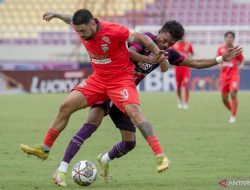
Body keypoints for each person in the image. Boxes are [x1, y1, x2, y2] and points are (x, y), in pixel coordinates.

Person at [51, 23, 243, 186]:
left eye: (170, 43)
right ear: (159, 32)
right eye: (164, 39)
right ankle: (62, 169)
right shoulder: (145, 39)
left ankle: (104, 159)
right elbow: (131, 53)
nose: (164, 44)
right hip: (110, 84)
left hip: (126, 97)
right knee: (91, 124)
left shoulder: (166, 52)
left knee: (129, 143)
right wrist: (154, 59)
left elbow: (194, 62)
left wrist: (219, 59)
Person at [20, 8, 170, 177]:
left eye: (83, 31)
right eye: (78, 31)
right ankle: (44, 149)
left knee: (134, 112)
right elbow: (71, 19)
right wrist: (57, 14)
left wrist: (157, 53)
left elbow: (142, 38)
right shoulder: (81, 27)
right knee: (65, 106)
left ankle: (159, 155)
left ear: (93, 23)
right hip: (98, 79)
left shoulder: (113, 30)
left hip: (120, 80)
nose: (81, 35)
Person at [216, 31, 244, 123]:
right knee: (224, 99)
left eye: (231, 37)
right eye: (227, 37)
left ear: (233, 39)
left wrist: (241, 65)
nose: (229, 38)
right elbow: (217, 61)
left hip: (234, 75)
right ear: (225, 38)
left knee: (233, 94)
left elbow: (242, 60)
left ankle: (233, 116)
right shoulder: (220, 49)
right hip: (224, 77)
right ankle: (233, 111)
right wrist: (220, 65)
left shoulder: (235, 50)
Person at [172, 37, 194, 109]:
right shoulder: (174, 45)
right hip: (177, 68)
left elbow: (191, 54)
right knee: (178, 87)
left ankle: (185, 103)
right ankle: (180, 100)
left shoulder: (188, 45)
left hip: (186, 68)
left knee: (186, 84)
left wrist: (189, 57)